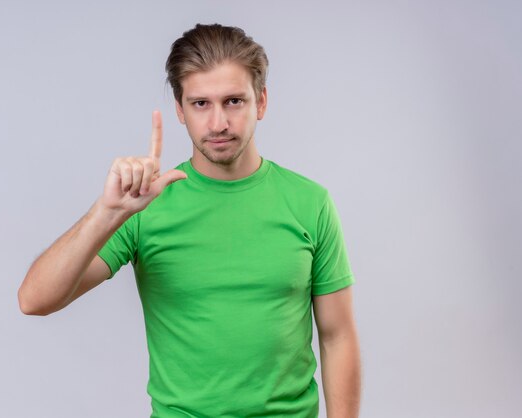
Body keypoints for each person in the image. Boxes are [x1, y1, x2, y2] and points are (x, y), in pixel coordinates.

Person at [18, 23, 361, 418]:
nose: (218, 123)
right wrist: (106, 213)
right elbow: (34, 300)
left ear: (261, 102)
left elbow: (337, 336)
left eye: (234, 101)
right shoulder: (145, 206)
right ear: (180, 110)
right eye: (201, 104)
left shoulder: (310, 202)